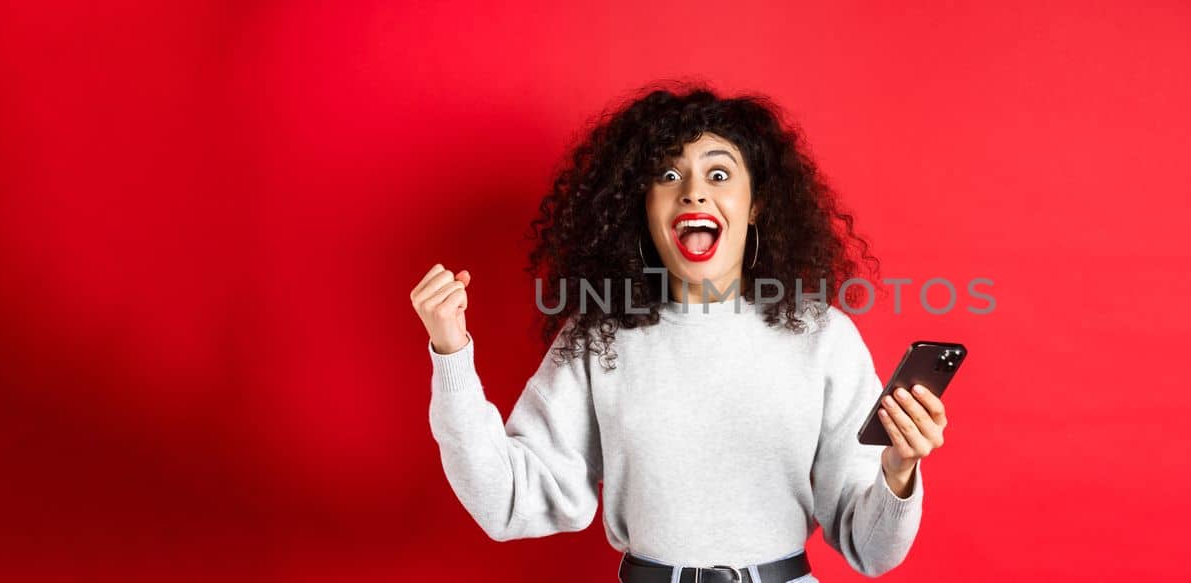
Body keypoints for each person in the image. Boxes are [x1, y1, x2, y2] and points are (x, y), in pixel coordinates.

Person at [408, 82, 952, 582]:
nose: (692, 192)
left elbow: (874, 550)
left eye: (719, 175)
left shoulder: (823, 338)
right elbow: (508, 499)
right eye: (668, 175)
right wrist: (451, 352)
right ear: (643, 207)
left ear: (756, 203)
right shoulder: (602, 336)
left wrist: (900, 468)